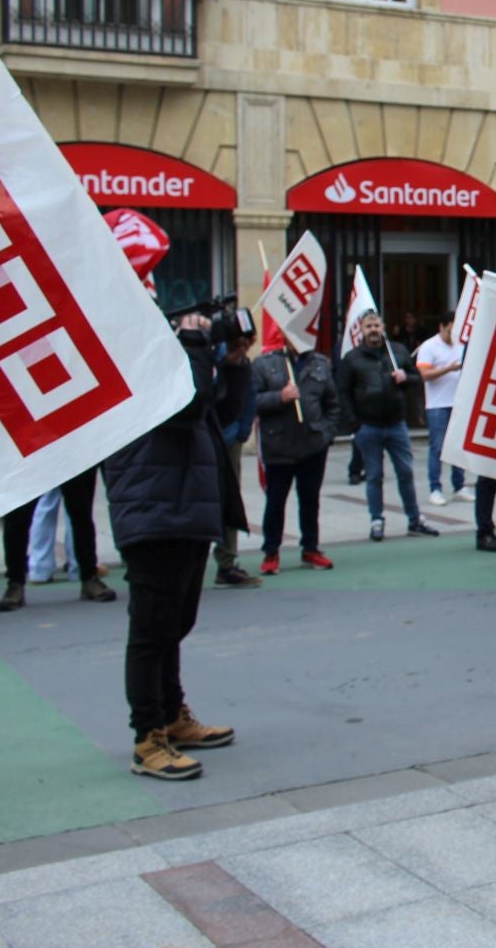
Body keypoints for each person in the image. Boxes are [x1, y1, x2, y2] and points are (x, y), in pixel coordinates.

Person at [101, 311, 242, 781]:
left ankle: (171, 715)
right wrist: (196, 346)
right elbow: (188, 408)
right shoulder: (133, 367)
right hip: (153, 511)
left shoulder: (173, 364)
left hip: (184, 510)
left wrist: (237, 362)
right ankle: (147, 737)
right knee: (150, 632)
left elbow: (220, 413)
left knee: (173, 625)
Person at [338, 309, 436, 542]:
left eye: (377, 326)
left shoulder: (397, 351)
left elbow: (416, 379)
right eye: (369, 327)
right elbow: (343, 393)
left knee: (405, 472)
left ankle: (414, 519)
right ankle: (377, 519)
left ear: (383, 328)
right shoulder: (352, 358)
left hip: (396, 425)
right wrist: (354, 425)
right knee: (374, 475)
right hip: (368, 427)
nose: (373, 331)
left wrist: (406, 377)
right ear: (361, 330)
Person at [251, 340, 340, 574]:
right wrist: (279, 397)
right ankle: (271, 552)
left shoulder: (320, 364)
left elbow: (332, 403)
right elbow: (252, 401)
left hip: (312, 445)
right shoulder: (265, 364)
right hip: (279, 446)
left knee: (310, 500)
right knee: (276, 502)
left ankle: (310, 547)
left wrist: (326, 433)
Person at [0, 470, 116, 612]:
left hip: (70, 453)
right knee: (17, 518)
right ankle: (15, 583)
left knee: (81, 512)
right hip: (30, 455)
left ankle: (89, 576)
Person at [211, 326, 262, 588]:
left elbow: (249, 396)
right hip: (205, 438)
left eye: (246, 343)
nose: (242, 349)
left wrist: (242, 432)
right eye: (238, 344)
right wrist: (224, 362)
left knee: (229, 499)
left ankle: (227, 562)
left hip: (230, 438)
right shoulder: (212, 359)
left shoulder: (245, 366)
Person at [417, 311, 468, 508]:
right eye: (449, 330)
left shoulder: (461, 344)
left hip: (458, 402)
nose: (452, 335)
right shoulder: (429, 347)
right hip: (437, 404)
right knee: (437, 448)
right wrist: (449, 369)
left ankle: (459, 485)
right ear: (441, 327)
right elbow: (424, 374)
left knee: (458, 446)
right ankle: (435, 489)